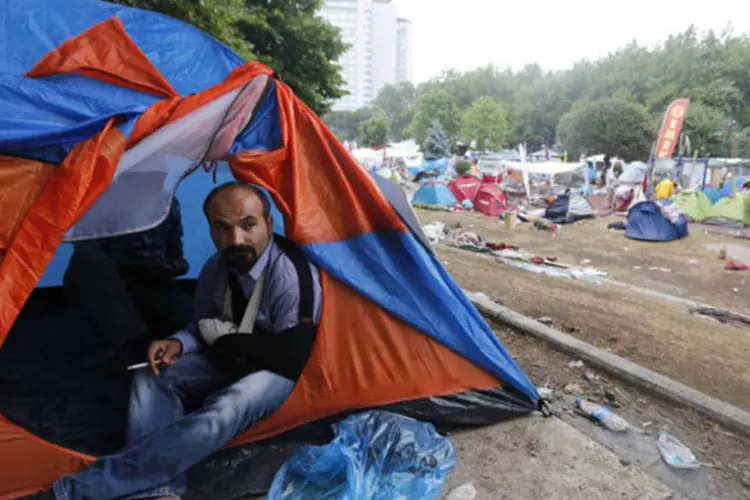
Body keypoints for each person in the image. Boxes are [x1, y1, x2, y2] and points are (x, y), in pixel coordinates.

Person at [30, 182, 322, 500]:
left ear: (268, 223)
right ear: (210, 229)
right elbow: (200, 325)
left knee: (226, 407)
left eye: (248, 225)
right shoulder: (216, 267)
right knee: (151, 373)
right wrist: (177, 344)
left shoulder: (288, 273)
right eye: (222, 228)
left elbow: (295, 358)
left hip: (283, 371)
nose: (236, 239)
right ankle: (159, 490)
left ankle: (76, 492)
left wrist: (231, 343)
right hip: (237, 352)